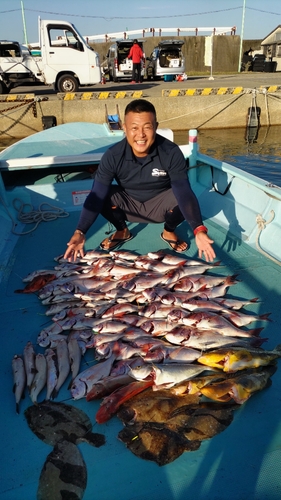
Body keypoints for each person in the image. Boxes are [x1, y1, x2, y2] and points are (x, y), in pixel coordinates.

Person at [64, 99, 216, 262]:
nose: (141, 135)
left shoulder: (171, 152)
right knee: (103, 193)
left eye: (147, 127)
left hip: (160, 206)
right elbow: (96, 194)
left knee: (180, 195)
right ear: (124, 128)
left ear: (156, 127)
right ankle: (122, 230)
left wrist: (198, 229)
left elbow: (184, 191)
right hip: (129, 204)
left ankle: (169, 230)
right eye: (134, 128)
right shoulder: (113, 155)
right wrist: (80, 231)